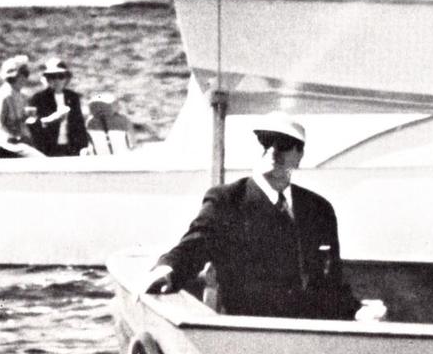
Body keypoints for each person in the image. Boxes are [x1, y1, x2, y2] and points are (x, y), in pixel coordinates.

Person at [145, 113, 370, 320]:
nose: (273, 151)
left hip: (307, 332)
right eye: (265, 142)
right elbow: (195, 244)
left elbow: (331, 282)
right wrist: (168, 270)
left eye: (282, 144)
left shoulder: (319, 209)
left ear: (299, 155)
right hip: (246, 332)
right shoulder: (227, 201)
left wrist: (358, 311)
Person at [28, 57, 88, 156]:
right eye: (52, 77)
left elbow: (79, 125)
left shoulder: (72, 97)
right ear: (46, 79)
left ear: (66, 79)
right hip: (48, 149)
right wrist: (51, 119)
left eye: (60, 76)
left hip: (71, 148)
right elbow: (33, 126)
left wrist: (83, 147)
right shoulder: (38, 98)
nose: (56, 80)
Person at [0, 56, 45, 158]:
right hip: (8, 143)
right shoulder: (3, 95)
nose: (26, 77)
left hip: (21, 141)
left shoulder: (22, 96)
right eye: (23, 73)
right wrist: (17, 137)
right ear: (14, 76)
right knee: (40, 159)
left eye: (26, 73)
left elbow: (20, 122)